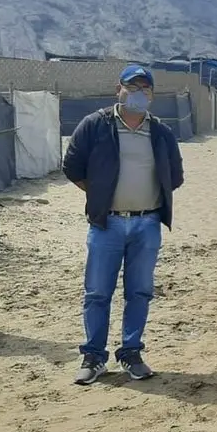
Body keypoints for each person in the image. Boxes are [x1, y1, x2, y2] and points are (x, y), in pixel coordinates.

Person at [62, 65, 184, 385]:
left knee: (140, 292)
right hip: (107, 225)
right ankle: (94, 356)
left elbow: (176, 175)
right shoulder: (95, 125)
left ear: (152, 95)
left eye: (145, 88)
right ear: (119, 88)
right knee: (97, 293)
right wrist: (100, 193)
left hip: (147, 225)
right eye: (132, 87)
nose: (138, 93)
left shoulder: (160, 132)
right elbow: (71, 165)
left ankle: (131, 352)